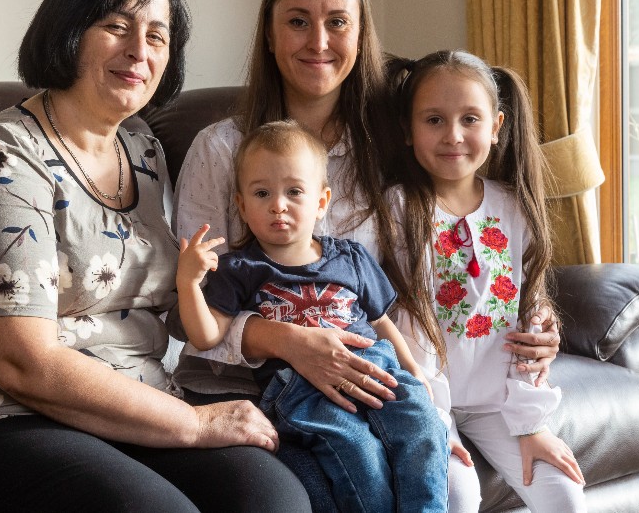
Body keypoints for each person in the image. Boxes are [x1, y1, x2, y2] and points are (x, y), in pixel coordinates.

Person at [0, 0, 310, 513]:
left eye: (158, 36)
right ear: (68, 32)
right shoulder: (0, 157)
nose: (139, 50)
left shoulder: (144, 151)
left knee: (271, 498)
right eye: (116, 26)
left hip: (131, 409)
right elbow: (21, 363)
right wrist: (190, 423)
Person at [170, 0, 562, 509]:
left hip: (379, 371)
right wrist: (291, 342)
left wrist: (536, 310)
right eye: (298, 22)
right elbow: (194, 309)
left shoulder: (395, 144)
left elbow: (480, 226)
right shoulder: (220, 148)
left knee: (443, 480)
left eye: (337, 23)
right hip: (253, 386)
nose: (318, 42)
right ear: (270, 31)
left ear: (360, 33)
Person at [177, 120, 448, 512]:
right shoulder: (240, 269)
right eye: (262, 193)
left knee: (423, 427)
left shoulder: (351, 258)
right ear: (241, 205)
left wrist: (414, 371)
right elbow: (206, 336)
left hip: (376, 368)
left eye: (294, 192)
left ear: (321, 202)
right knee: (358, 453)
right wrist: (188, 283)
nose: (278, 205)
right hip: (299, 389)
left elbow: (381, 323)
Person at [386, 50, 586, 512]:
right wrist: (431, 422)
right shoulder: (393, 210)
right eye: (434, 119)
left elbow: (529, 320)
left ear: (496, 128)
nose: (453, 135)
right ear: (407, 131)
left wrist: (531, 425)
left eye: (469, 119)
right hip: (423, 398)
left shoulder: (515, 208)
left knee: (566, 496)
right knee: (457, 494)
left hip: (499, 400)